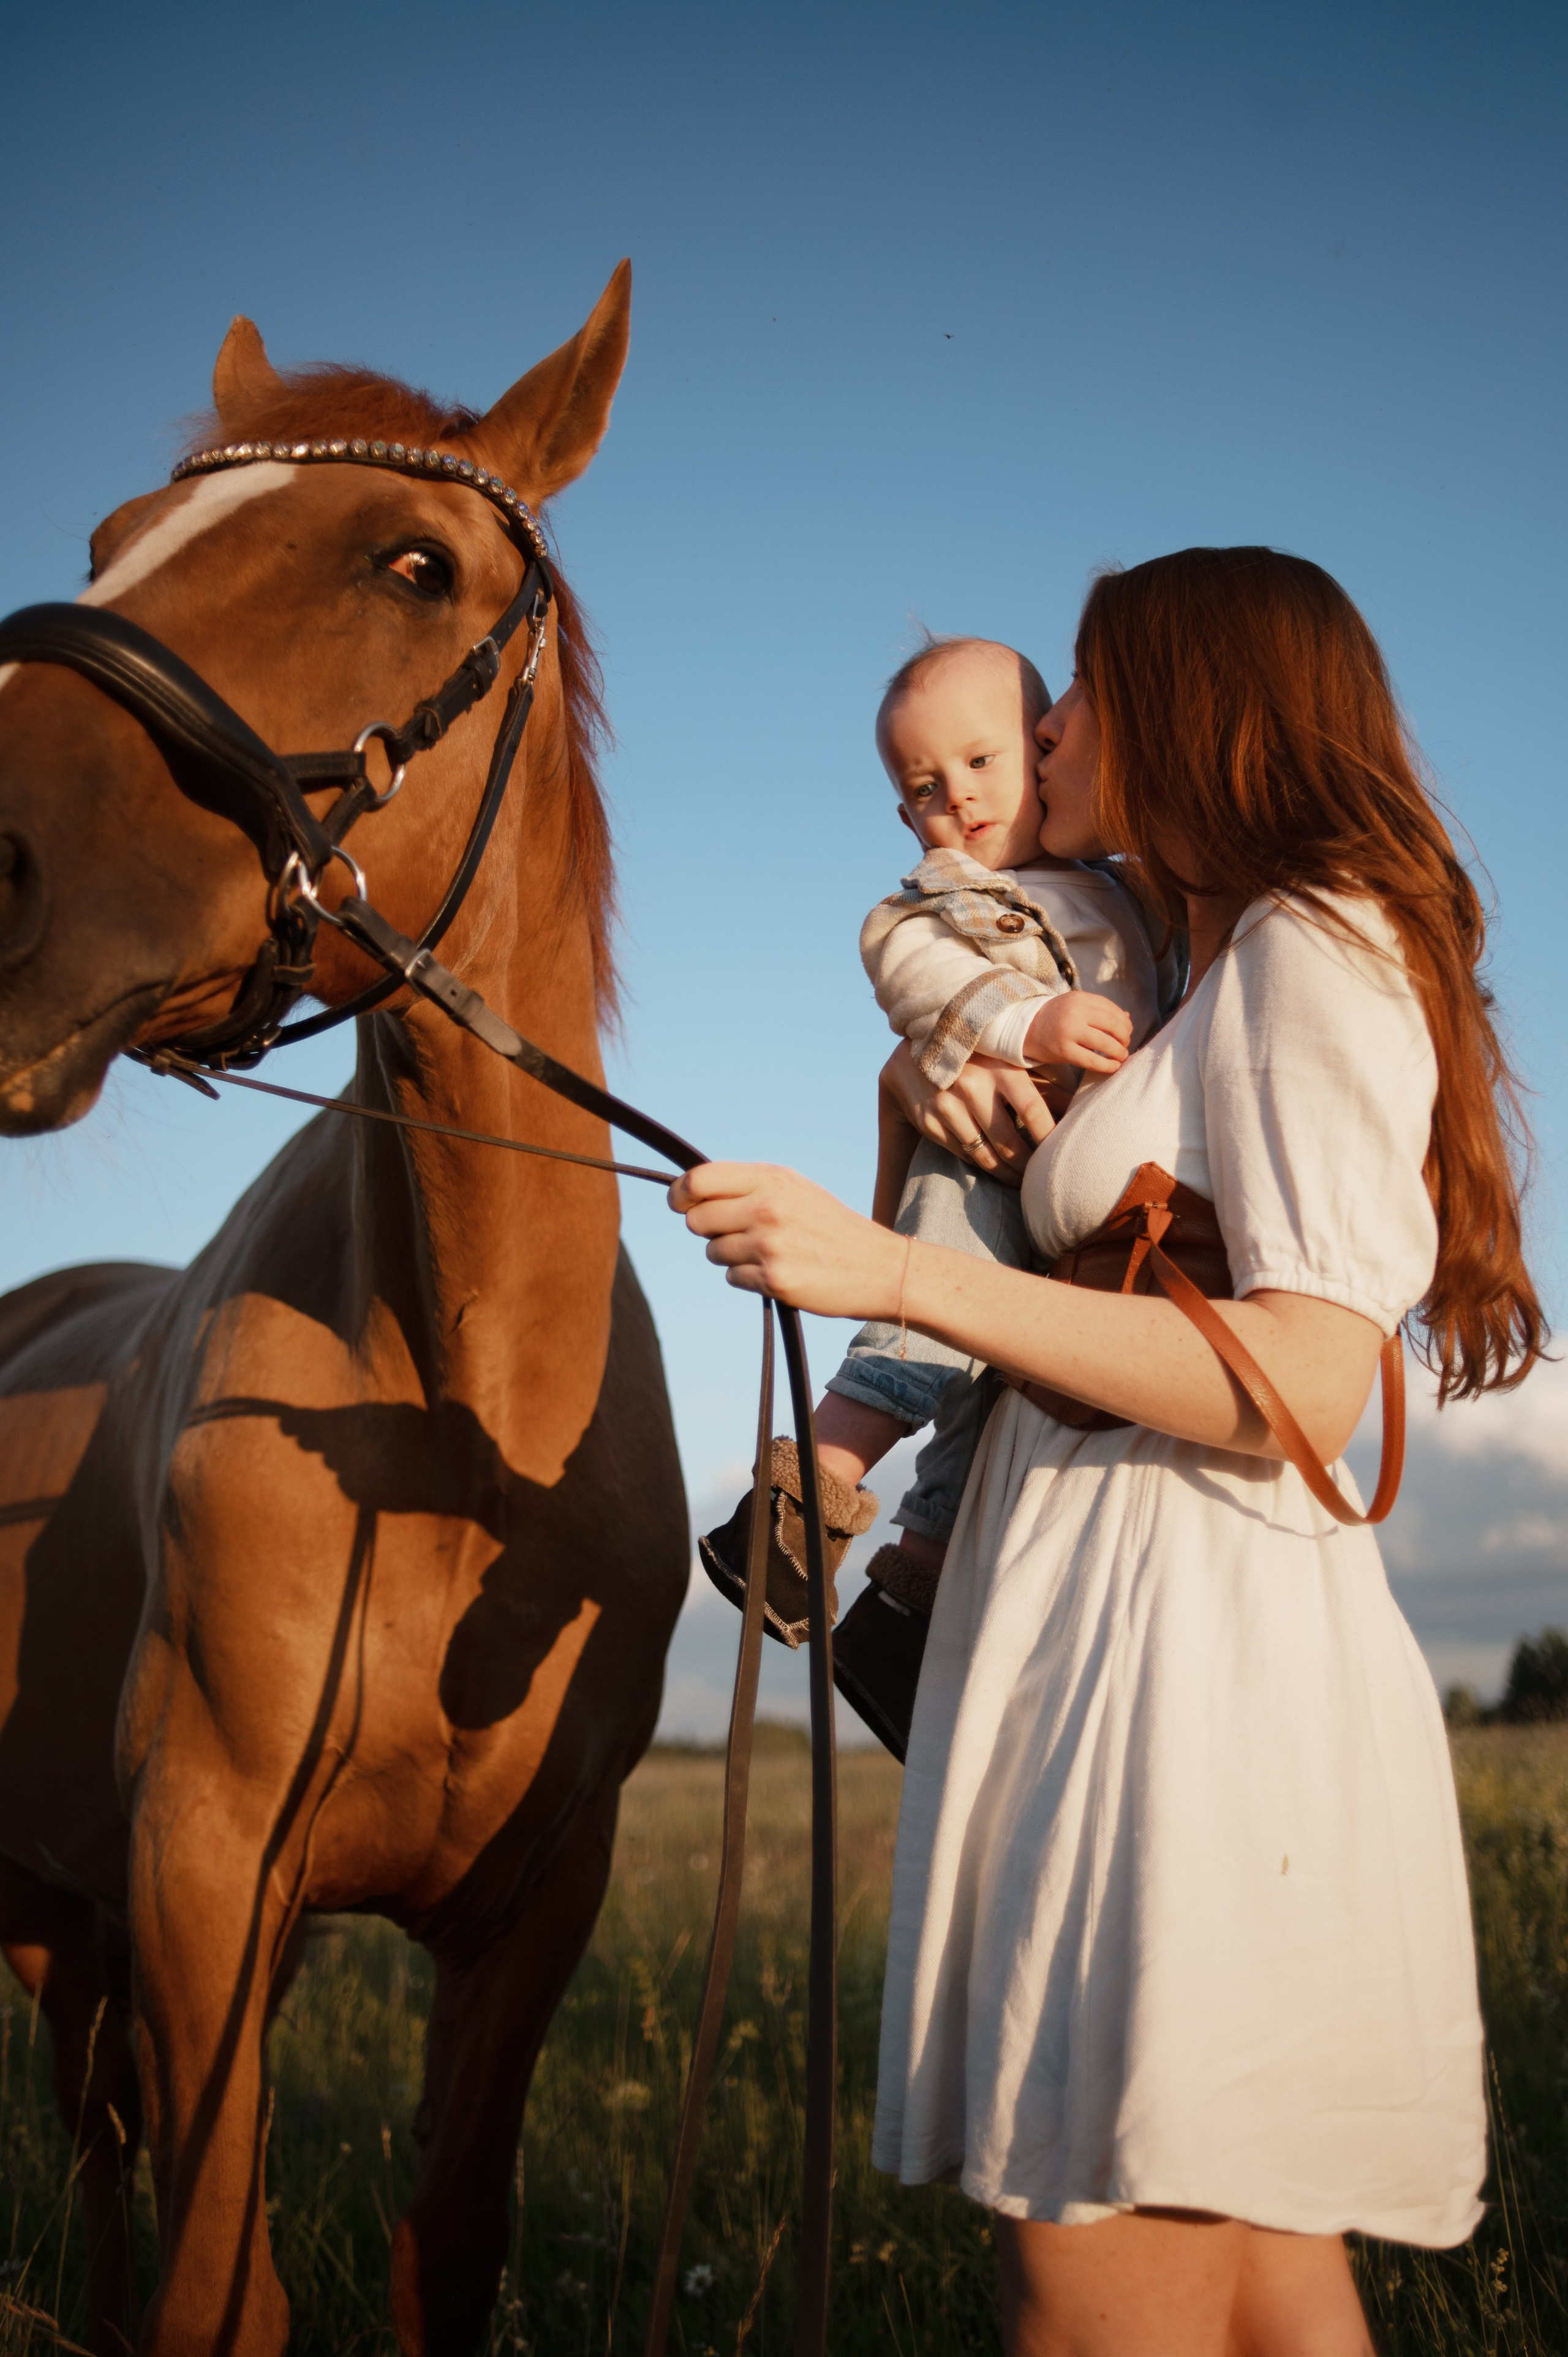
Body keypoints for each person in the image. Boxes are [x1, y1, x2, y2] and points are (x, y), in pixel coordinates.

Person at [671, 546, 1544, 2355]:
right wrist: (931, 1101)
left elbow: (1308, 1375)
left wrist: (885, 1267)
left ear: (1195, 708)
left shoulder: (1307, 946)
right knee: (1250, 2284)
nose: (1047, 725)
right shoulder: (1199, 972)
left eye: (1080, 688)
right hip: (1123, 1625)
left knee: (1092, 2274)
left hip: (1187, 1658)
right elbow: (1043, 1222)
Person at [700, 635, 1178, 1755]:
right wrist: (1022, 1024)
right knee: (923, 1333)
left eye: (985, 762)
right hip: (981, 1169)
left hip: (1077, 1227)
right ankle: (804, 1495)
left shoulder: (1131, 891)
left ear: (1045, 753)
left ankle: (908, 1598)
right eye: (923, 788)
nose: (956, 801)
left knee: (982, 1407)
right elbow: (910, 970)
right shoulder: (948, 899)